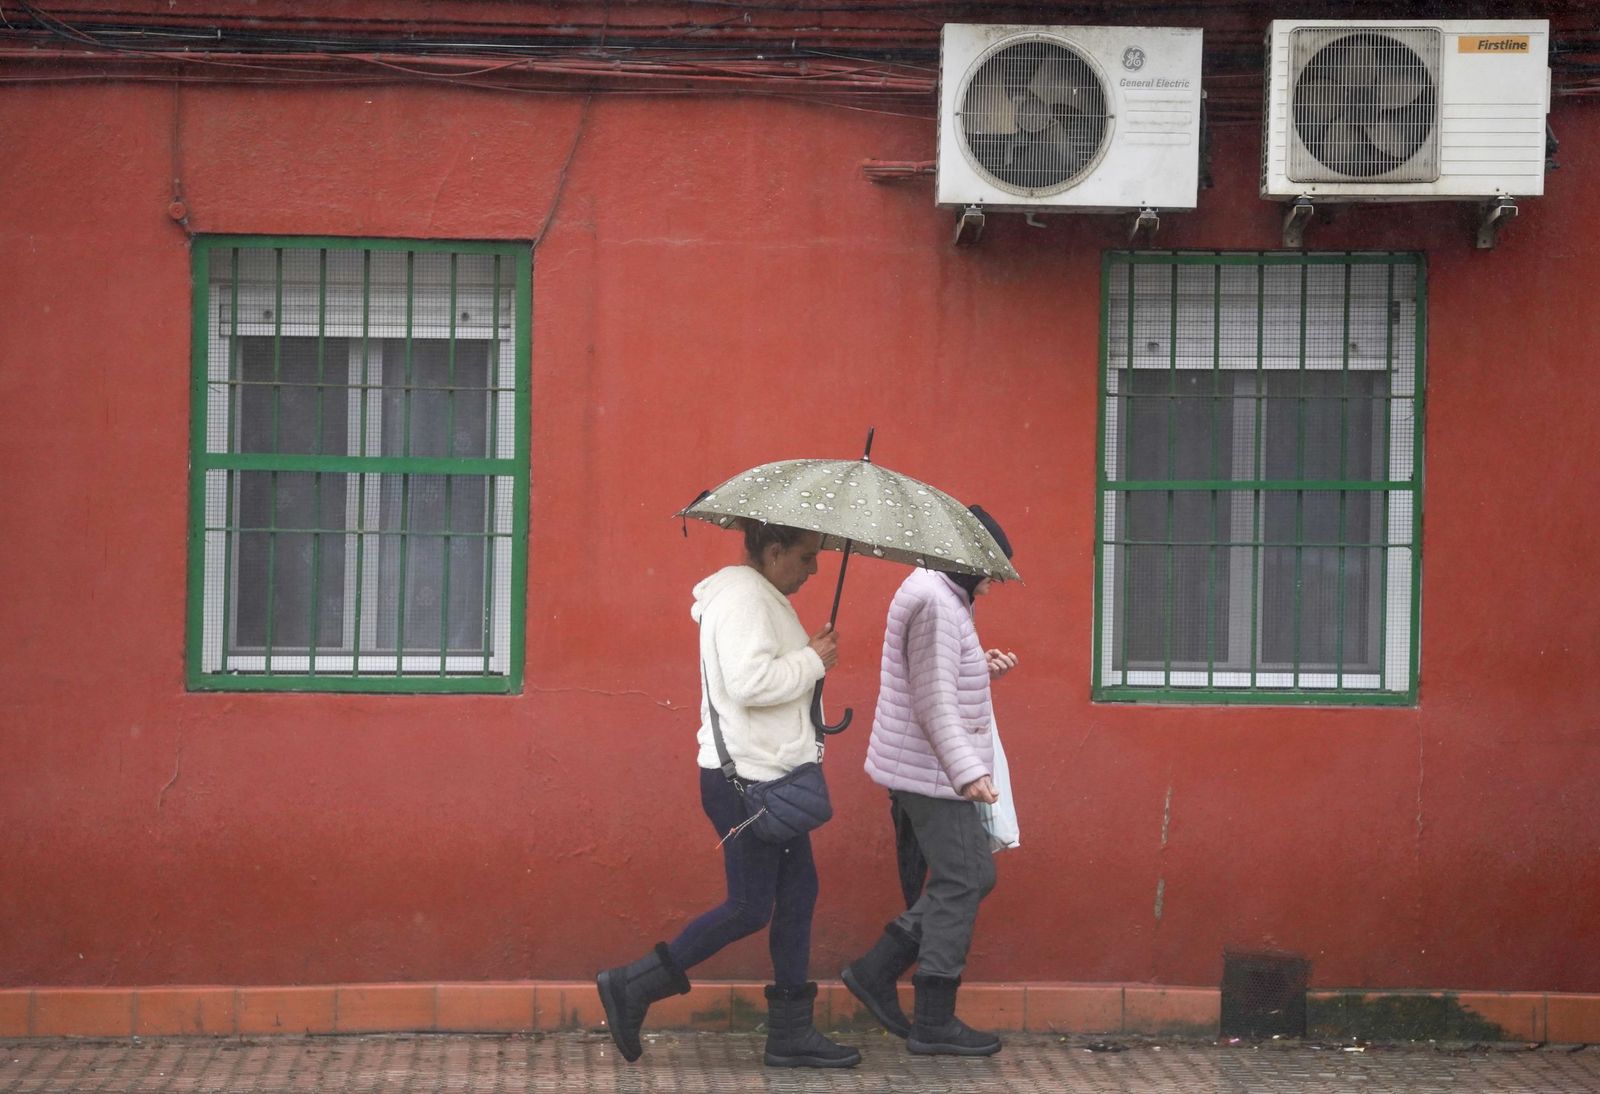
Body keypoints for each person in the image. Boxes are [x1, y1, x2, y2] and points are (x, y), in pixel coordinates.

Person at [595, 521, 861, 1069]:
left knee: (798, 895)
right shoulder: (743, 599)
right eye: (806, 557)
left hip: (770, 779)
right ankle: (631, 985)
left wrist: (810, 659)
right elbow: (748, 683)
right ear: (773, 549)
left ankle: (790, 1034)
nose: (814, 569)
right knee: (748, 906)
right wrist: (813, 660)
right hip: (747, 783)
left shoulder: (761, 595)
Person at [841, 505, 1017, 1057]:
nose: (993, 582)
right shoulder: (939, 604)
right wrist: (970, 774)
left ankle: (877, 970)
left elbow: (932, 676)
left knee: (967, 877)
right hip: (934, 773)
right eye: (990, 568)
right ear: (966, 558)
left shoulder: (935, 589)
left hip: (924, 766)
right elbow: (932, 701)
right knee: (965, 880)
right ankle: (932, 1019)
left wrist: (976, 667)